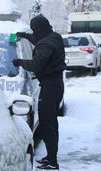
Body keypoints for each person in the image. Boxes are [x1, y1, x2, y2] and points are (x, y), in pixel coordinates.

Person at [12, 15, 66, 170]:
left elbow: (36, 65)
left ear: (39, 29)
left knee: (47, 123)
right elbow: (40, 41)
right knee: (51, 123)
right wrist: (25, 36)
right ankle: (51, 157)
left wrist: (20, 62)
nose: (34, 32)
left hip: (50, 87)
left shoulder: (46, 45)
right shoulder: (53, 37)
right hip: (55, 84)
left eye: (34, 29)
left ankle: (52, 162)